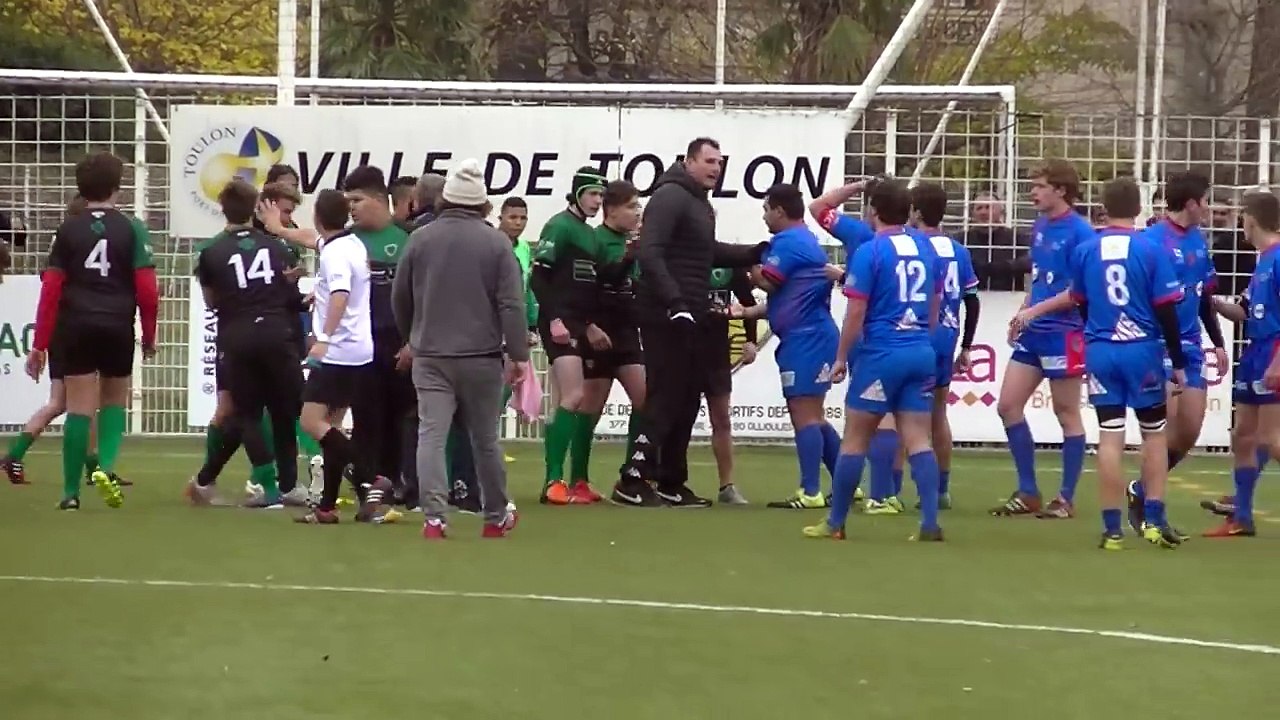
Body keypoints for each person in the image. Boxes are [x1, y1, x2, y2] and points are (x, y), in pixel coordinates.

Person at [1013, 177, 1186, 549]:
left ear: (1104, 208)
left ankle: (1112, 531)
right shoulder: (1150, 248)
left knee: (1110, 436)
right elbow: (1167, 309)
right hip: (1141, 348)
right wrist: (1180, 361)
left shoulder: (1087, 249)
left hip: (1101, 349)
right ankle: (1153, 519)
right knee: (1154, 434)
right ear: (1138, 209)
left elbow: (1081, 299)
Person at [612, 138, 765, 507]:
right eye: (709, 161)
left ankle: (671, 481)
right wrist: (675, 302)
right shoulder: (671, 196)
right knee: (665, 396)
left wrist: (755, 252)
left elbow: (706, 251)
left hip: (689, 313)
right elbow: (650, 251)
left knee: (686, 398)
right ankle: (631, 480)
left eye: (720, 162)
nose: (716, 168)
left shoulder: (698, 202)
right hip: (667, 313)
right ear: (689, 161)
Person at [393, 158, 530, 539]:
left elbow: (400, 297)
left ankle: (434, 517)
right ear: (483, 204)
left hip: (431, 354)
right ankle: (495, 515)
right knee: (485, 438)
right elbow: (511, 304)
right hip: (481, 356)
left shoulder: (420, 239)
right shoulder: (497, 242)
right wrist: (518, 353)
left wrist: (413, 336)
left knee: (431, 435)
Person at [804, 178, 944, 541]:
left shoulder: (870, 249)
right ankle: (929, 523)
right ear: (908, 211)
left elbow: (856, 311)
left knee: (855, 439)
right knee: (917, 439)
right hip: (920, 351)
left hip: (882, 352)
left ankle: (835, 524)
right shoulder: (925, 248)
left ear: (873, 211)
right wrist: (923, 338)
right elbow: (935, 302)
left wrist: (840, 358)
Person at [27, 152, 159, 510]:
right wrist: (149, 334)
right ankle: (105, 466)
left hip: (76, 326)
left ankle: (70, 493)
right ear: (118, 188)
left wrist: (40, 344)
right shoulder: (132, 228)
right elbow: (147, 288)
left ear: (81, 189)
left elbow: (51, 288)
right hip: (116, 323)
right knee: (115, 399)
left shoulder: (67, 230)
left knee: (79, 408)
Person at [186, 180, 305, 509]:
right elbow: (287, 291)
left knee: (247, 412)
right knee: (284, 410)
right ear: (255, 208)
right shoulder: (276, 246)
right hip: (277, 333)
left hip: (237, 335)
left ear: (222, 209)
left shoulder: (211, 251)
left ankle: (266, 488)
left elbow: (211, 301)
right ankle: (289, 484)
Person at [1127, 172, 1229, 535]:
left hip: (1190, 345)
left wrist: (1217, 342)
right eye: (1206, 200)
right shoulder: (1151, 241)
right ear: (1190, 203)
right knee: (1163, 432)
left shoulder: (1199, 242)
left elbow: (1202, 297)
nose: (1210, 207)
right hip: (1157, 346)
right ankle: (1152, 509)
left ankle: (1140, 489)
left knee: (1188, 433)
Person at [992, 159, 1094, 518]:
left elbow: (1077, 292)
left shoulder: (1082, 233)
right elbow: (1041, 279)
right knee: (1007, 406)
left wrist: (1033, 312)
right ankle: (1029, 491)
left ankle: (1065, 498)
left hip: (1065, 333)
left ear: (1061, 190)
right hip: (1035, 332)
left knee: (1066, 413)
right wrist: (1023, 311)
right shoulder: (1040, 226)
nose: (1032, 192)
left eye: (1039, 185)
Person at [731, 183, 841, 508]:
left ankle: (810, 492)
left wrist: (748, 260)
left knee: (804, 414)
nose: (765, 217)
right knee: (814, 415)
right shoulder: (804, 239)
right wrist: (747, 311)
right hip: (811, 335)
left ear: (779, 210)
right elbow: (787, 297)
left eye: (766, 210)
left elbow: (768, 281)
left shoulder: (790, 242)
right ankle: (847, 482)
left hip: (807, 339)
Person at [294, 183, 395, 524]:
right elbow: (312, 239)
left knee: (311, 421)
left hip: (338, 351)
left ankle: (369, 477)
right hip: (359, 350)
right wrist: (279, 229)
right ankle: (327, 507)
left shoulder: (336, 253)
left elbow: (340, 293)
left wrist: (323, 336)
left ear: (318, 215)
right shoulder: (350, 243)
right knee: (332, 425)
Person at [3, 195, 105, 487]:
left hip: (62, 330)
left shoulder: (62, 244)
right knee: (84, 402)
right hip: (75, 329)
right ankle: (93, 470)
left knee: (60, 402)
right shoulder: (77, 245)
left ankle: (15, 455)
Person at [530, 166, 609, 505]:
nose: (597, 201)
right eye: (592, 194)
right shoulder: (559, 226)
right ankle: (552, 481)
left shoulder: (590, 235)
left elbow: (586, 288)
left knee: (577, 400)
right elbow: (539, 278)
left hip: (580, 324)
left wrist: (589, 324)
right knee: (574, 396)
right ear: (577, 194)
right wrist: (556, 320)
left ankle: (577, 481)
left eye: (601, 196)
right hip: (560, 325)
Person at [1203, 190, 1280, 538]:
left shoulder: (1278, 258)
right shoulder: (1263, 260)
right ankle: (1242, 517)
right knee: (1243, 435)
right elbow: (1244, 311)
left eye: (1243, 217)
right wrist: (1210, 301)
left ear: (1251, 219)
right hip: (1254, 351)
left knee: (1272, 440)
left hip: (1273, 350)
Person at [571, 182, 648, 501]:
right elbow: (592, 285)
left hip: (627, 334)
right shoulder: (594, 240)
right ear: (612, 209)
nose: (637, 213)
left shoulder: (635, 243)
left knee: (646, 399)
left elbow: (636, 285)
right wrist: (587, 326)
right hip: (599, 334)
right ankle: (578, 480)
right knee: (590, 410)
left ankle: (630, 475)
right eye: (632, 207)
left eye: (638, 207)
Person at [342, 166, 414, 498]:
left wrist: (413, 342)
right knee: (366, 417)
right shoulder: (346, 242)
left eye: (356, 200)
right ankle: (367, 484)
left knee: (401, 417)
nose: (351, 208)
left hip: (398, 342)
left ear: (377, 199)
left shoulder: (409, 238)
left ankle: (397, 481)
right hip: (360, 343)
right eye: (347, 201)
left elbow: (424, 295)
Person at [914, 182, 979, 510]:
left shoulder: (914, 246)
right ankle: (942, 489)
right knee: (939, 414)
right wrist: (967, 346)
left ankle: (889, 489)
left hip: (917, 334)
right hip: (948, 336)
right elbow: (973, 300)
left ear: (917, 212)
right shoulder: (958, 249)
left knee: (907, 415)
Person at [704, 264, 760, 505]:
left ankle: (727, 486)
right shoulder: (677, 257)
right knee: (676, 418)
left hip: (716, 352)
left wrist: (751, 341)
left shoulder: (726, 263)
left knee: (721, 419)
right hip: (680, 348)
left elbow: (747, 302)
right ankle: (667, 480)